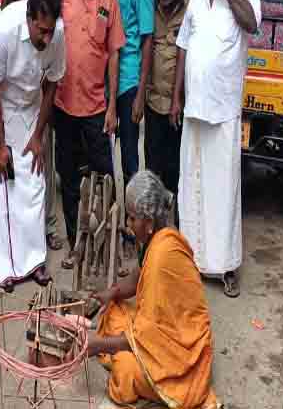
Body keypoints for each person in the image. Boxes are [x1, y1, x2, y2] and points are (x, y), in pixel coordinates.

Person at [173, 0, 260, 298]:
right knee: (191, 187)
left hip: (224, 111)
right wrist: (177, 97)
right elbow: (184, 47)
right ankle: (192, 261)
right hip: (194, 110)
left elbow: (252, 24)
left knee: (223, 191)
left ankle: (225, 266)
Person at [88, 171, 218, 408]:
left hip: (182, 356)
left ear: (148, 222)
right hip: (163, 333)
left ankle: (173, 386)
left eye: (131, 218)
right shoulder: (158, 237)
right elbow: (137, 278)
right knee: (114, 310)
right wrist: (113, 292)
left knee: (126, 371)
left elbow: (143, 338)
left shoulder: (162, 254)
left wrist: (96, 345)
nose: (128, 225)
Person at [0, 0, 65, 291]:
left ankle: (33, 261)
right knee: (3, 179)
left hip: (30, 101)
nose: (46, 37)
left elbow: (53, 84)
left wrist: (38, 136)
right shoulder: (5, 30)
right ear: (29, 17)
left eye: (50, 30)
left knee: (33, 180)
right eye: (40, 30)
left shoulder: (57, 34)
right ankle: (5, 268)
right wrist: (2, 146)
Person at [54, 0, 126, 267]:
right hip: (63, 106)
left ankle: (109, 243)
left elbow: (114, 54)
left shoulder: (109, 0)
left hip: (97, 107)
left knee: (106, 179)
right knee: (68, 179)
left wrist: (113, 106)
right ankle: (74, 243)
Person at [0, 0, 63, 252]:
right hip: (12, 79)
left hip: (41, 80)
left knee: (42, 154)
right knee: (7, 151)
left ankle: (45, 225)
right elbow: (3, 19)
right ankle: (10, 222)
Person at [100, 0, 154, 188]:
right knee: (99, 155)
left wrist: (140, 95)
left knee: (130, 160)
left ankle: (132, 227)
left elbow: (147, 39)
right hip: (100, 74)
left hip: (129, 78)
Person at [145, 0, 190, 197]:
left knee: (175, 173)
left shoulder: (193, 4)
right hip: (153, 105)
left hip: (178, 108)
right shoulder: (149, 2)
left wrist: (179, 100)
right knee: (152, 171)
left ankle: (175, 229)